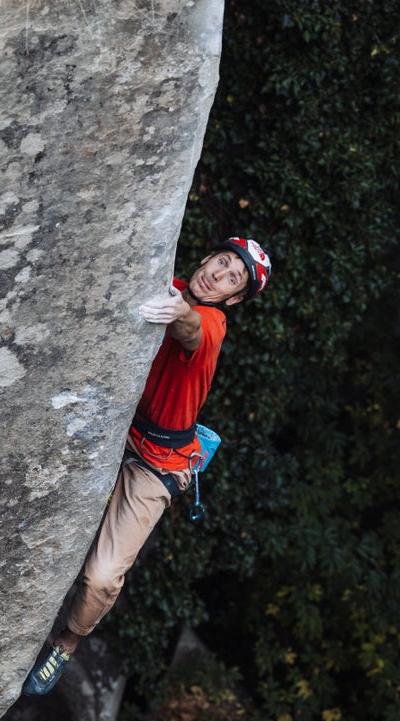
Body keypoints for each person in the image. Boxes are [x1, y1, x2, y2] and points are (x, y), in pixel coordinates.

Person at [22, 236, 271, 696]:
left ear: (233, 298)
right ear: (205, 258)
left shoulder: (212, 323)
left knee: (101, 576)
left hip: (156, 461)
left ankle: (66, 642)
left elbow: (193, 330)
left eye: (231, 277)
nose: (218, 274)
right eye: (221, 261)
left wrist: (180, 314)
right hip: (115, 429)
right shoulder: (163, 281)